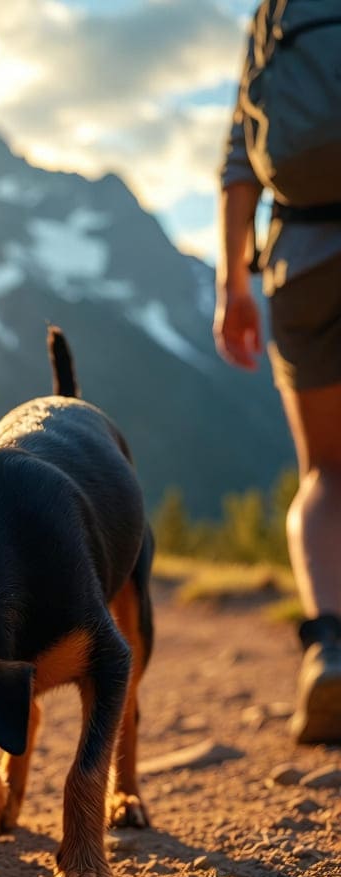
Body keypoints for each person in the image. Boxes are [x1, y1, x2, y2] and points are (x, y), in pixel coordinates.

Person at [213, 0, 341, 745]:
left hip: (301, 257)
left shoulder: (275, 10)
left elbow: (240, 155)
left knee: (326, 471)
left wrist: (234, 284)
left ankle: (328, 647)